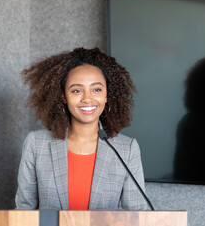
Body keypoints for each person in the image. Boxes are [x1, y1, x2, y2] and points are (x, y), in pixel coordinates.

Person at [15, 47, 148, 210]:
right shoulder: (36, 144)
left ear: (107, 95)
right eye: (77, 90)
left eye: (97, 89)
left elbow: (137, 216)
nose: (87, 98)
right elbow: (23, 212)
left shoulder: (126, 149)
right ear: (63, 96)